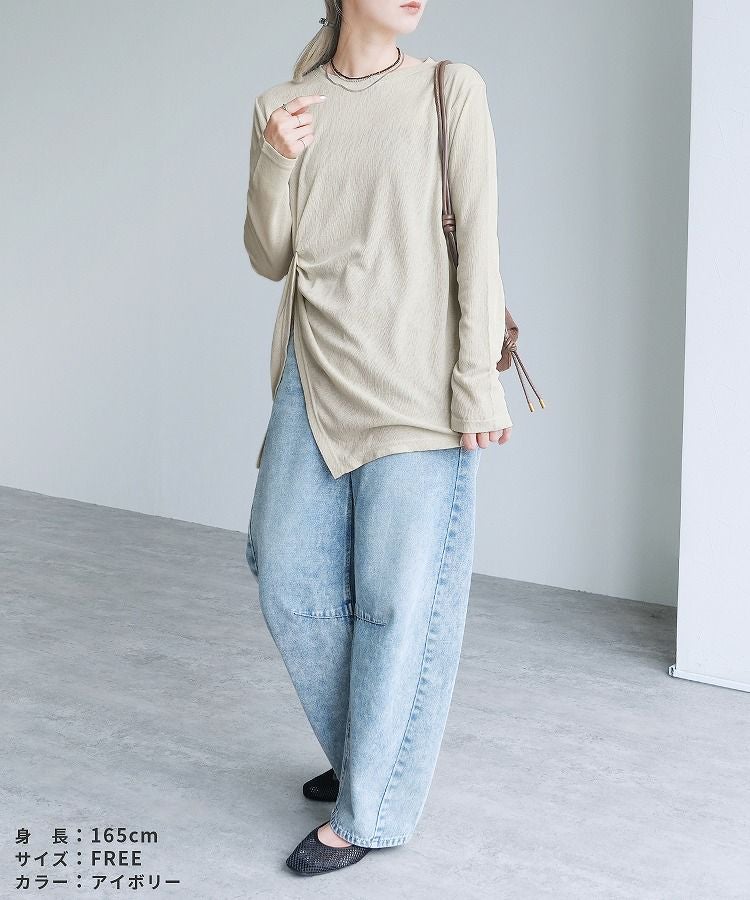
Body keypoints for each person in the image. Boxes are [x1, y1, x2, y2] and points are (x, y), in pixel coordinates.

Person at [243, 0, 513, 877]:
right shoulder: (285, 104)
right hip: (315, 376)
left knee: (398, 606)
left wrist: (476, 381)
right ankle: (372, 752)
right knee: (285, 574)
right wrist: (274, 159)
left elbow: (480, 242)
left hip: (417, 391)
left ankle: (370, 809)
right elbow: (269, 255)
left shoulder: (449, 89)